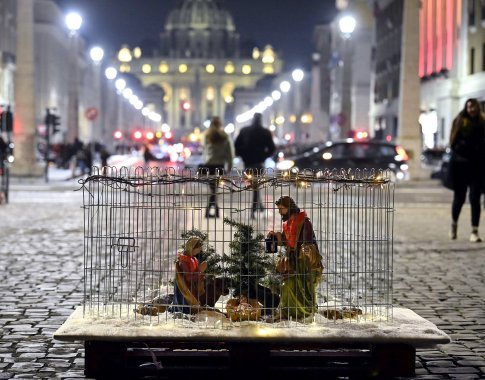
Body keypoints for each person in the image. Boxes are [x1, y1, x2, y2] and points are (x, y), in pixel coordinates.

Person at [267, 196, 323, 322]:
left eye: (282, 209)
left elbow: (308, 241)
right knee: (287, 284)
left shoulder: (304, 221)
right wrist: (276, 236)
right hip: (292, 260)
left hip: (303, 261)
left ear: (289, 208)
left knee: (302, 285)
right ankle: (289, 311)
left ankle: (304, 311)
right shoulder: (288, 223)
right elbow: (288, 241)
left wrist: (305, 249)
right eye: (279, 209)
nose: (280, 212)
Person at [448, 98, 485, 242]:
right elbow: (453, 142)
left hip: (477, 165)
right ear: (466, 108)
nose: (472, 110)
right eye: (470, 107)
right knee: (459, 197)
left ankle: (474, 231)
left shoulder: (482, 122)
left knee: (475, 198)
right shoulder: (459, 121)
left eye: (474, 107)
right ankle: (454, 224)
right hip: (460, 165)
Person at [234, 113, 276, 217]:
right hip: (259, 162)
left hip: (248, 161)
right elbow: (272, 148)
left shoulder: (244, 131)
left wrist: (243, 155)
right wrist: (264, 156)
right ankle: (256, 208)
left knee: (254, 185)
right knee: (256, 184)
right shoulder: (265, 132)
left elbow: (236, 146)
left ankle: (256, 208)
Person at [200, 116, 233, 218]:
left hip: (209, 165)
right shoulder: (224, 136)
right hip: (219, 165)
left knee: (213, 189)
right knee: (215, 189)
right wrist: (229, 166)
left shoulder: (206, 135)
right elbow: (229, 152)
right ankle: (212, 210)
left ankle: (213, 210)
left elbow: (204, 149)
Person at [169, 237, 207, 315]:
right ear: (192, 247)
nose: (200, 250)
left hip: (191, 287)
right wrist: (200, 271)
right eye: (198, 248)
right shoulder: (184, 261)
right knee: (185, 308)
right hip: (185, 289)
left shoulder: (192, 259)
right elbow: (189, 278)